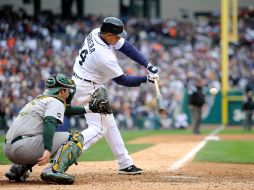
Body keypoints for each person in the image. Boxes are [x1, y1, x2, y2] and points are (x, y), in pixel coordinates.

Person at [72, 16, 159, 174]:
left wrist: (147, 64)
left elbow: (126, 47)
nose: (119, 38)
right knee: (99, 128)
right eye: (117, 35)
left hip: (84, 81)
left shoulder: (97, 32)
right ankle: (64, 152)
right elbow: (123, 80)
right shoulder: (103, 56)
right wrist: (146, 79)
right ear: (108, 35)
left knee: (109, 124)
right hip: (88, 87)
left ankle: (125, 163)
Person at [3, 73, 106, 184]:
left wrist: (89, 108)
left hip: (10, 149)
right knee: (76, 137)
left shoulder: (39, 100)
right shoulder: (55, 101)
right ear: (62, 91)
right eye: (67, 90)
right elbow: (49, 122)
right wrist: (47, 149)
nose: (68, 94)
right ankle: (55, 170)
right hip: (24, 148)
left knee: (37, 136)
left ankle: (18, 169)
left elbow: (66, 110)